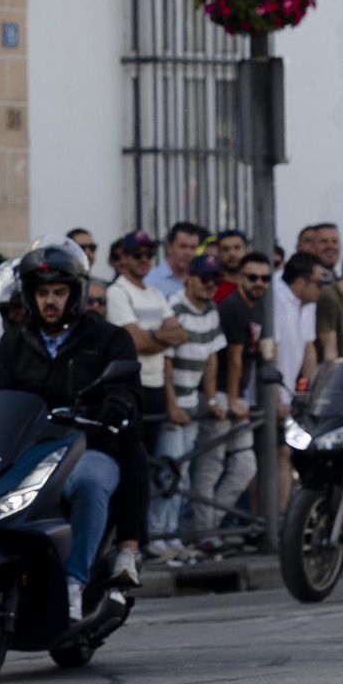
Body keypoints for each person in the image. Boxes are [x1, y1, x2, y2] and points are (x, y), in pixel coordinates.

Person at [0, 245, 144, 617]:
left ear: (74, 294)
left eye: (58, 292)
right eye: (41, 293)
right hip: (29, 449)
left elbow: (126, 385)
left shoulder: (109, 338)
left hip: (89, 446)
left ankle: (75, 580)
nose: (49, 301)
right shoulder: (15, 340)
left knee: (89, 483)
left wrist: (116, 406)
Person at [191, 252, 269, 542]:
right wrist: (234, 399)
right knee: (211, 466)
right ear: (240, 279)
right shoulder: (234, 307)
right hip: (223, 394)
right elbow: (234, 359)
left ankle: (210, 527)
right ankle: (204, 533)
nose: (259, 283)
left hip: (236, 396)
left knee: (244, 466)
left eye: (264, 278)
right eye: (252, 277)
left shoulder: (257, 307)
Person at [151, 257, 226, 559]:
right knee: (167, 472)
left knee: (182, 475)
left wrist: (209, 400)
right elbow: (164, 362)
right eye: (204, 278)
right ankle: (157, 535)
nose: (210, 284)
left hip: (192, 405)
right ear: (189, 279)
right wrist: (171, 405)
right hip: (174, 406)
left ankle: (173, 536)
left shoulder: (211, 311)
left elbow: (211, 360)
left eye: (215, 279)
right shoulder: (175, 308)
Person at [105, 229, 187, 483]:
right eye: (137, 254)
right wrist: (159, 335)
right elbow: (134, 342)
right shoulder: (117, 292)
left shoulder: (155, 293)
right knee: (132, 462)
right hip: (132, 387)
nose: (144, 259)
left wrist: (150, 336)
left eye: (149, 254)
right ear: (124, 257)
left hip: (158, 386)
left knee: (154, 462)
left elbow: (182, 334)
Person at [273, 253, 322, 509]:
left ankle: (279, 520)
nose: (321, 289)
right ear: (302, 282)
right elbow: (270, 353)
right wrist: (275, 398)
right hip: (272, 395)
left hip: (291, 395)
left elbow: (309, 347)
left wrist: (308, 391)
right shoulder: (277, 300)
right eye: (318, 283)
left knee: (286, 454)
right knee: (274, 456)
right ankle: (271, 521)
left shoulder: (307, 303)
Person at [149, 221, 203, 300]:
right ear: (169, 247)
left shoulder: (201, 279)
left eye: (193, 248)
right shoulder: (151, 281)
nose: (188, 253)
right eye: (183, 246)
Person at [213, 228, 248, 302]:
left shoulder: (257, 284)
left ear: (246, 250)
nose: (232, 253)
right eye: (226, 249)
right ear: (218, 253)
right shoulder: (211, 286)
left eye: (237, 248)